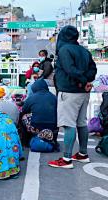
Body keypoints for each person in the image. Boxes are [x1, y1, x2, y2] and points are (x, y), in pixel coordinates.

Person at [48, 25, 97, 168]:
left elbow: (70, 70)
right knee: (81, 123)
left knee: (68, 124)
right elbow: (93, 69)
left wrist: (82, 82)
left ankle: (67, 159)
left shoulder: (64, 50)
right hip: (84, 93)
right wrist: (87, 81)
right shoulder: (84, 51)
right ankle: (82, 154)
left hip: (69, 92)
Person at [22, 79, 58, 147]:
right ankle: (53, 139)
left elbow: (24, 110)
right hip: (52, 126)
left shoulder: (31, 97)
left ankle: (26, 141)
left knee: (24, 116)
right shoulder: (54, 97)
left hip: (36, 126)